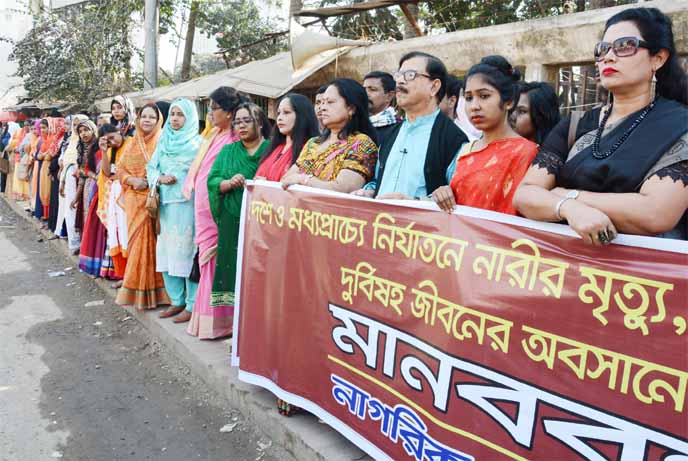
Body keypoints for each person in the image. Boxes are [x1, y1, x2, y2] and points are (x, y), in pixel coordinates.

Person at [514, 7, 688, 243]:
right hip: (564, 266)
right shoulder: (575, 125)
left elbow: (656, 213)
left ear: (658, 58)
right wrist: (569, 208)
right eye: (603, 49)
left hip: (644, 274)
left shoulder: (679, 124)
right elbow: (525, 194)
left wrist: (568, 195)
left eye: (625, 45)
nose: (608, 56)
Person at [431, 56, 539, 215]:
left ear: (508, 101)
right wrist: (443, 194)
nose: (474, 106)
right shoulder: (466, 149)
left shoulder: (526, 153)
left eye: (484, 96)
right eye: (468, 98)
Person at [353, 52, 468, 200]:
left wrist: (413, 203)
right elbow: (378, 181)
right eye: (399, 75)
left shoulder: (453, 139)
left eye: (410, 75)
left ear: (434, 87)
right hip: (380, 221)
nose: (400, 81)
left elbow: (458, 198)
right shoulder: (390, 134)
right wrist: (368, 191)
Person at [184, 86, 247, 337]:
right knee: (207, 259)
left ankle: (220, 323)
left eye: (214, 108)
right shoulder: (214, 135)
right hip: (203, 210)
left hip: (218, 210)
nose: (209, 113)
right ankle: (207, 320)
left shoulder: (234, 140)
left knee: (216, 262)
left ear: (230, 113)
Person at [208, 103, 270, 310]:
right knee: (232, 264)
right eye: (237, 122)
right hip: (230, 218)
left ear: (260, 123)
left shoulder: (271, 150)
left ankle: (254, 317)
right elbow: (213, 179)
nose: (241, 126)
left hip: (262, 221)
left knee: (258, 267)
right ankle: (235, 321)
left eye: (247, 120)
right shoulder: (228, 151)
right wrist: (227, 183)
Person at [147, 98, 203, 319]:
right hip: (166, 207)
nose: (176, 119)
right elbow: (151, 167)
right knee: (168, 252)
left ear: (189, 117)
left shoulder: (199, 143)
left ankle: (191, 304)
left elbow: (202, 172)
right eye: (172, 114)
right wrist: (159, 178)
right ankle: (176, 300)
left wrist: (182, 179)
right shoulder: (164, 141)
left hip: (188, 206)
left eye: (180, 115)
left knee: (186, 253)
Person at [115, 103, 171, 310]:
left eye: (152, 117)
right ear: (137, 120)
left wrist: (151, 182)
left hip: (154, 201)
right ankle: (135, 290)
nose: (147, 120)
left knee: (154, 246)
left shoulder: (164, 142)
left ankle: (158, 293)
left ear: (158, 121)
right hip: (134, 201)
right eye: (143, 116)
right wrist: (131, 179)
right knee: (137, 245)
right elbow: (119, 169)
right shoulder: (132, 143)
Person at [281, 78, 378, 193]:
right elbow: (286, 179)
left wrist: (304, 180)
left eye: (330, 102)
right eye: (322, 103)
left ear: (351, 108)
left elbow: (343, 189)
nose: (322, 108)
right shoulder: (313, 143)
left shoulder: (361, 144)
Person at [255, 93, 319, 181]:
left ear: (302, 116)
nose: (279, 118)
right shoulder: (274, 147)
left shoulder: (310, 150)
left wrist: (267, 184)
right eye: (278, 113)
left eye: (286, 112)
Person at [78, 123, 110, 276]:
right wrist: (95, 176)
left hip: (109, 192)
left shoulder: (118, 148)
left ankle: (106, 266)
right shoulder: (95, 149)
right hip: (96, 189)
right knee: (96, 227)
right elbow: (87, 169)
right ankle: (97, 264)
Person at [54, 114, 89, 250]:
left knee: (80, 210)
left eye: (79, 124)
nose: (76, 128)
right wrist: (62, 182)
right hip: (68, 179)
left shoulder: (87, 142)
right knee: (70, 209)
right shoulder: (71, 140)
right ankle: (74, 242)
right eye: (74, 125)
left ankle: (82, 243)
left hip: (81, 180)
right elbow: (66, 162)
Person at [363, 71, 398, 144]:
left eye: (372, 89)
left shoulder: (397, 129)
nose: (365, 94)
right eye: (364, 89)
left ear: (389, 96)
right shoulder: (354, 123)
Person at [32, 119, 48, 219]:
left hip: (44, 167)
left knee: (45, 191)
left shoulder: (48, 139)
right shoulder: (41, 139)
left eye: (44, 128)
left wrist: (41, 156)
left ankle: (44, 214)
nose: (41, 130)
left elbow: (46, 155)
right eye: (40, 128)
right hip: (39, 165)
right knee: (40, 189)